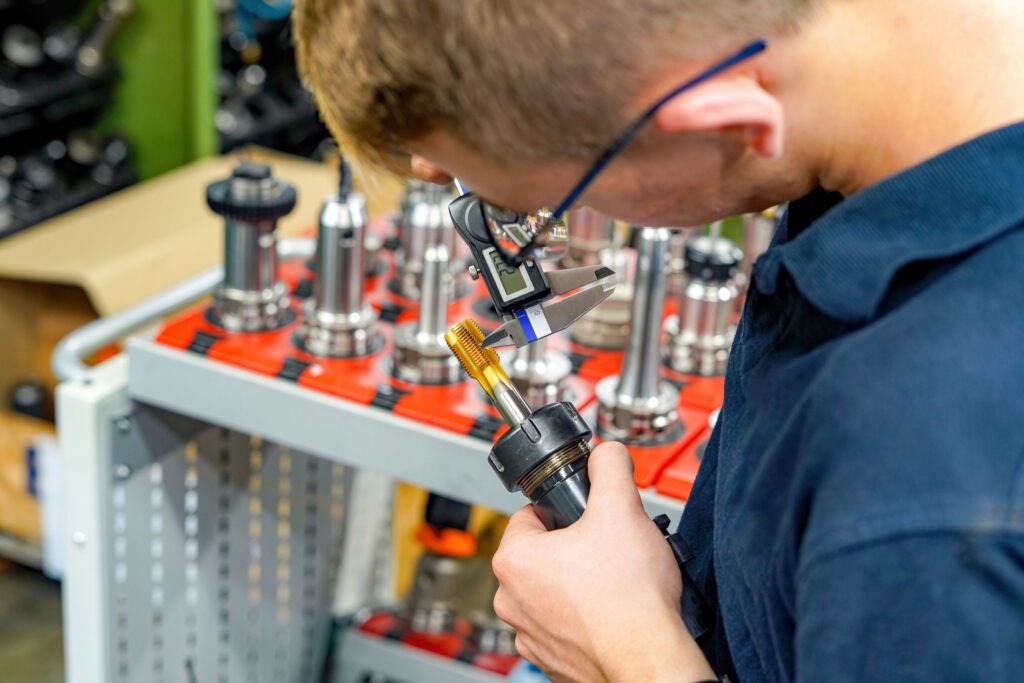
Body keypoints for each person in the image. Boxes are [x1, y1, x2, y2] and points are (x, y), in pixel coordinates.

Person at [294, 1, 1024, 680]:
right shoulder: (868, 121)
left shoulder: (930, 491)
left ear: (727, 119)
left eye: (541, 206)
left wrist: (628, 649)